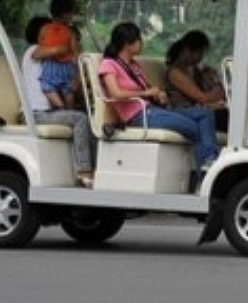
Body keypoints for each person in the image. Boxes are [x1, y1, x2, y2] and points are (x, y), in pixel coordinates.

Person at [98, 21, 219, 172]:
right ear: (127, 44)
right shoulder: (109, 64)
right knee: (195, 128)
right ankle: (209, 168)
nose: (141, 44)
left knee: (205, 114)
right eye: (139, 40)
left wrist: (158, 94)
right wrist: (145, 93)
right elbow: (115, 94)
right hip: (138, 115)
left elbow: (146, 89)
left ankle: (210, 161)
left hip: (153, 109)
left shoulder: (134, 66)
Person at [22, 15, 97, 188]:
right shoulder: (34, 51)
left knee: (91, 116)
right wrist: (69, 44)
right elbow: (58, 51)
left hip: (50, 111)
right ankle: (84, 170)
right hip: (37, 114)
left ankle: (96, 166)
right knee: (80, 119)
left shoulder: (52, 60)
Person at [164, 30, 230, 132]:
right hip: (184, 112)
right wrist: (216, 89)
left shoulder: (196, 71)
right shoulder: (175, 72)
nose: (202, 56)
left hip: (200, 109)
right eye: (201, 52)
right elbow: (202, 97)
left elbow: (218, 94)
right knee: (226, 117)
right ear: (188, 51)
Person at [37, 0, 81, 110]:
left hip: (50, 67)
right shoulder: (70, 32)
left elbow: (41, 48)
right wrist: (77, 77)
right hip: (67, 68)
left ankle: (60, 107)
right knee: (68, 91)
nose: (72, 16)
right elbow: (76, 55)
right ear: (67, 14)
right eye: (72, 13)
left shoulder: (45, 29)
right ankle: (70, 110)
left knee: (47, 86)